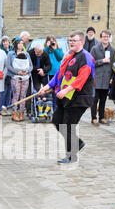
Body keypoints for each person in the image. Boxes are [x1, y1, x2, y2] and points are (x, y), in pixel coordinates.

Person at [38, 30, 95, 164]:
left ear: (81, 42)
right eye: (70, 41)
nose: (71, 43)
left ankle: (71, 156)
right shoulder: (69, 55)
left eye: (74, 41)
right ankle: (78, 143)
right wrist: (47, 87)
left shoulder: (86, 57)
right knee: (57, 121)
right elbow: (59, 74)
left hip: (80, 97)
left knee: (68, 126)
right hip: (66, 97)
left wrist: (66, 90)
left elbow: (82, 78)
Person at [90, 29, 115, 126]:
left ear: (109, 38)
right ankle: (93, 118)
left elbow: (113, 65)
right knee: (94, 100)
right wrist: (102, 61)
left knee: (103, 100)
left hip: (106, 78)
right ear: (101, 38)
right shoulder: (95, 49)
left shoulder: (112, 50)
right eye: (104, 36)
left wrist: (112, 77)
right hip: (96, 78)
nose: (106, 38)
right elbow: (91, 63)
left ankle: (102, 117)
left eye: (107, 37)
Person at [7, 37, 33, 122]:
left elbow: (31, 66)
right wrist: (17, 72)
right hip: (15, 77)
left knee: (23, 95)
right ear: (16, 44)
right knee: (16, 95)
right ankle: (14, 113)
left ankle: (21, 113)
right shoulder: (11, 54)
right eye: (19, 43)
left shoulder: (26, 54)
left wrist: (26, 71)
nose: (21, 45)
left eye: (22, 43)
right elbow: (8, 66)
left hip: (25, 77)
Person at [44, 35, 64, 111]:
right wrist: (47, 47)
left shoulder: (58, 49)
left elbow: (60, 58)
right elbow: (43, 56)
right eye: (50, 41)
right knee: (47, 92)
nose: (52, 43)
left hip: (56, 74)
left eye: (53, 41)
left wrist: (55, 49)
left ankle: (56, 109)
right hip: (48, 73)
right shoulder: (46, 50)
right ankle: (47, 109)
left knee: (56, 92)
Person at [0, 35, 13, 115]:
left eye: (6, 41)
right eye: (3, 42)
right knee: (3, 92)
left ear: (9, 42)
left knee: (9, 92)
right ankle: (0, 108)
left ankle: (7, 108)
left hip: (11, 74)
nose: (5, 43)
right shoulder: (0, 51)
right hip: (3, 73)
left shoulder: (12, 50)